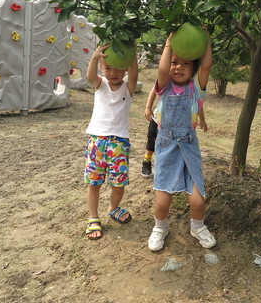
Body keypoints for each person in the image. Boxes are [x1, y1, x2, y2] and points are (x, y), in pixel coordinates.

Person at [147, 29, 215, 252]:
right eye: (175, 62)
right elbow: (162, 68)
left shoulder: (196, 89)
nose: (178, 67)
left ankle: (198, 226)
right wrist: (168, 43)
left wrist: (206, 41)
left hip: (188, 146)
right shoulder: (164, 86)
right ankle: (160, 228)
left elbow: (206, 66)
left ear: (193, 69)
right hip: (166, 146)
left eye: (186, 64)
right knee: (162, 201)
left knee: (197, 201)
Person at [84, 45, 138, 240]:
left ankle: (113, 208)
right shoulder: (100, 85)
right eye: (107, 68)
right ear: (101, 67)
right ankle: (93, 216)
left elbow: (133, 74)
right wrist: (94, 56)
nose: (112, 73)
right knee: (94, 182)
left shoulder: (128, 88)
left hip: (119, 144)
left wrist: (130, 52)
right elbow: (90, 76)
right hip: (97, 141)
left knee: (118, 184)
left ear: (125, 68)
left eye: (117, 68)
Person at [142, 87, 208, 178]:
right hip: (159, 118)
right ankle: (146, 161)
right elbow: (154, 89)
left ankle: (169, 167)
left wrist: (202, 120)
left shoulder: (192, 85)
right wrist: (148, 107)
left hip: (178, 124)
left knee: (172, 146)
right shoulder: (166, 80)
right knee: (152, 140)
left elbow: (198, 103)